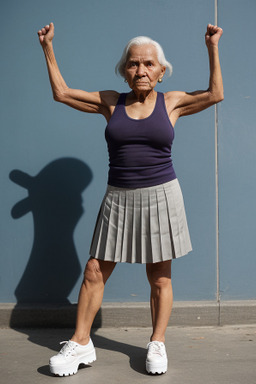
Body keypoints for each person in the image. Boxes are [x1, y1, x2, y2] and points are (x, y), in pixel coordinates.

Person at [37, 22, 223, 376]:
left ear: (161, 71)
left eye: (149, 64)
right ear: (124, 72)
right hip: (118, 198)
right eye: (134, 64)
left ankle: (157, 343)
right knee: (94, 270)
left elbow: (215, 94)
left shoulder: (172, 102)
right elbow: (62, 93)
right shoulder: (111, 102)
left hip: (162, 195)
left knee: (159, 277)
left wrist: (212, 47)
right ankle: (81, 342)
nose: (141, 70)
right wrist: (48, 47)